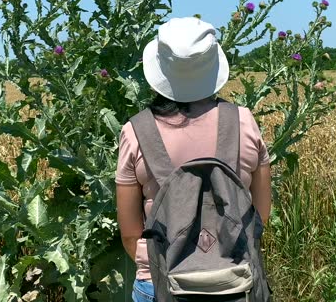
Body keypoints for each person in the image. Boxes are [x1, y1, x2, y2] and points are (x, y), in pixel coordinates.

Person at [116, 17, 272, 302]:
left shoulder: (135, 132)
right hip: (236, 283)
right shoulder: (244, 122)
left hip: (159, 285)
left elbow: (129, 233)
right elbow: (260, 214)